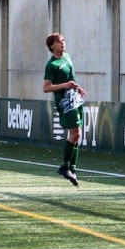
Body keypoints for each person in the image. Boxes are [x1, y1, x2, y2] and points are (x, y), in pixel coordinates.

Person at [43, 33, 87, 187]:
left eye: (63, 40)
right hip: (65, 101)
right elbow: (46, 87)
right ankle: (65, 166)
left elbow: (70, 79)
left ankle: (72, 169)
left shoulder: (67, 57)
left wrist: (77, 87)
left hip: (74, 98)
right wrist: (64, 86)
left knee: (77, 134)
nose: (62, 43)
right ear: (52, 46)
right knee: (75, 133)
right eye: (59, 41)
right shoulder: (52, 65)